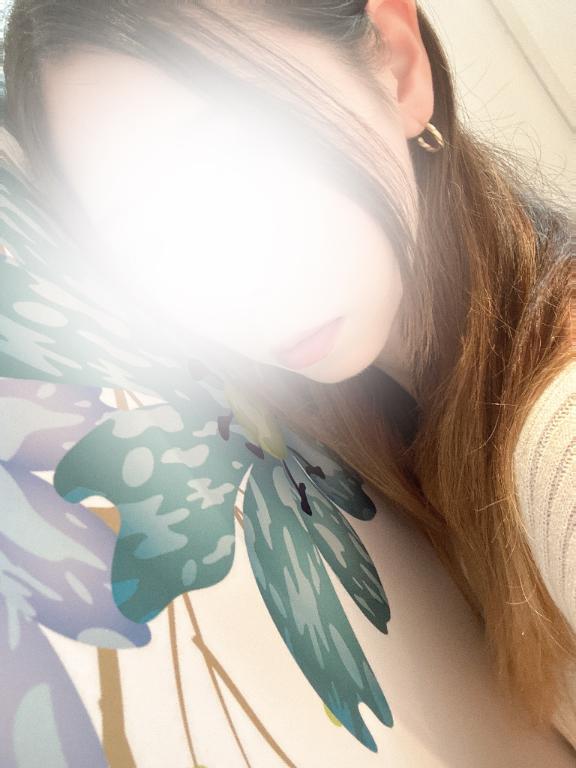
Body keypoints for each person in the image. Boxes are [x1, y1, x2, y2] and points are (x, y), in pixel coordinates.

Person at [2, 0, 575, 758]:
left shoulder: (558, 439)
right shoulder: (406, 422)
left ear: (399, 65)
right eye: (146, 233)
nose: (235, 279)